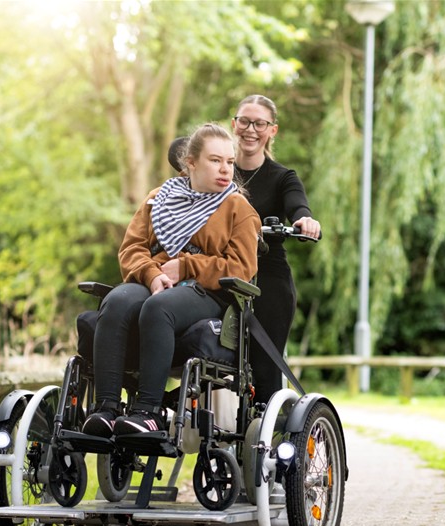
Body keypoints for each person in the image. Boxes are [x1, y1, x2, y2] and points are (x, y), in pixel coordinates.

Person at [82, 123, 261, 437]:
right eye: (215, 160)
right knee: (118, 301)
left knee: (159, 308)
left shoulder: (238, 209)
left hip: (208, 294)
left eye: (230, 162)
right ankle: (106, 409)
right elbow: (132, 249)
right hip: (154, 281)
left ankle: (148, 412)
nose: (225, 169)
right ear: (190, 162)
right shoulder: (158, 199)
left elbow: (242, 268)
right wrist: (152, 276)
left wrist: (188, 267)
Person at [231, 95, 320, 405]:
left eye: (260, 123)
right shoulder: (217, 171)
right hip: (221, 270)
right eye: (244, 121)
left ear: (273, 131)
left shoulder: (283, 177)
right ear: (234, 124)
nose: (250, 129)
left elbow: (297, 205)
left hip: (266, 273)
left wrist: (304, 220)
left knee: (265, 366)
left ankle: (265, 431)